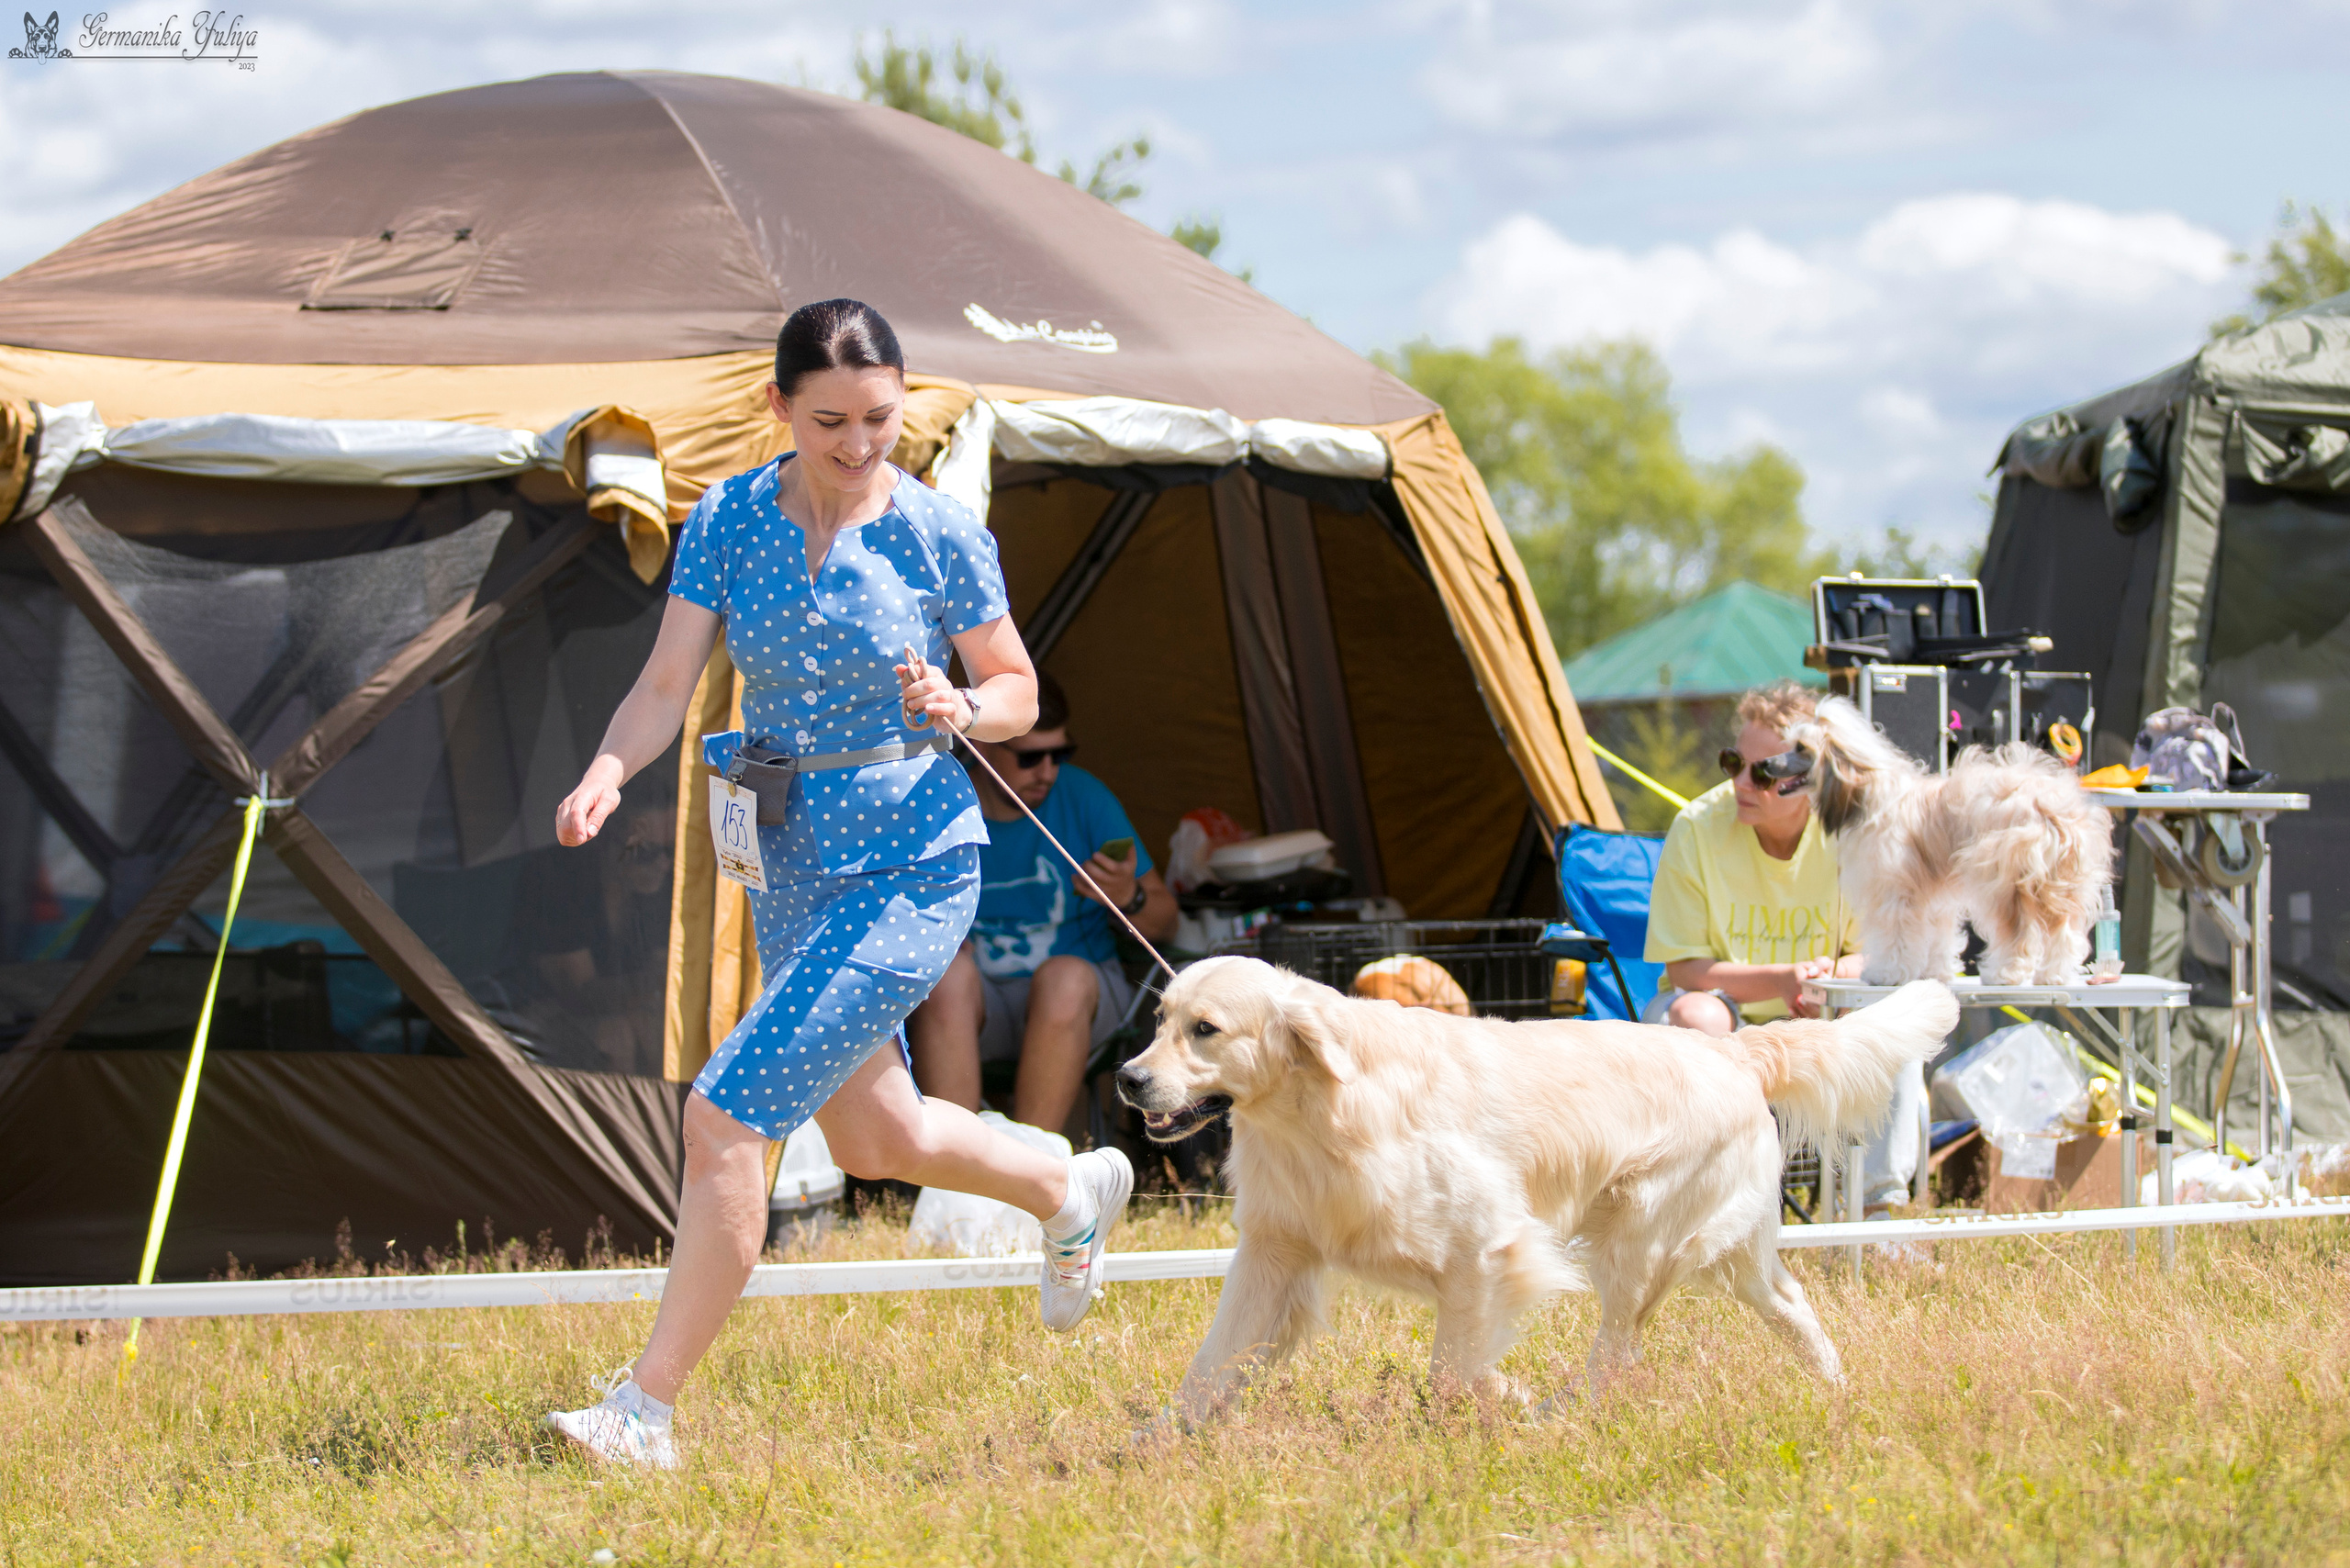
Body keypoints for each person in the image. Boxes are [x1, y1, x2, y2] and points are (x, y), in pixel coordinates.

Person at [541, 299, 1132, 1470]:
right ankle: (1065, 1186)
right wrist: (609, 765)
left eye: (879, 417)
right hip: (786, 855)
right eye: (830, 421)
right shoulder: (724, 519)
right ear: (778, 408)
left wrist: (966, 708)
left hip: (915, 862)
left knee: (725, 1118)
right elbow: (666, 686)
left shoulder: (937, 530)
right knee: (875, 1136)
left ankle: (643, 1410)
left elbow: (1014, 686)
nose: (861, 444)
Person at [1642, 680, 1924, 1213]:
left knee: (1893, 1015)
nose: (1742, 783)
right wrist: (1788, 980)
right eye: (1733, 763)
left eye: (1765, 771)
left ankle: (1878, 1212)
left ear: (1809, 777)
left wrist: (1830, 977)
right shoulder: (1697, 828)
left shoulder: (1850, 831)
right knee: (1697, 1015)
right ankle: (1711, 1214)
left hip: (1824, 1020)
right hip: (1727, 1018)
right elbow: (1684, 971)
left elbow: (1882, 954)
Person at [906, 672, 1178, 1135]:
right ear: (986, 745)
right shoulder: (945, 799)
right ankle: (956, 1178)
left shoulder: (1085, 796)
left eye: (1061, 754)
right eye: (1032, 757)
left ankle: (1031, 1179)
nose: (1048, 771)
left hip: (1079, 1002)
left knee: (1064, 979)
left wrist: (1127, 897)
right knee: (946, 976)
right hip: (979, 1002)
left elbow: (1167, 923)